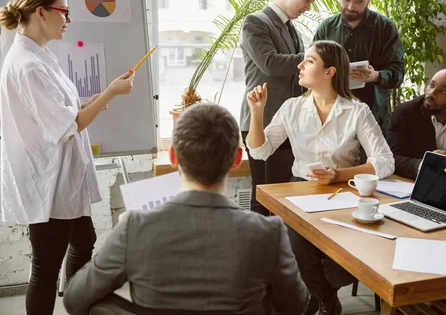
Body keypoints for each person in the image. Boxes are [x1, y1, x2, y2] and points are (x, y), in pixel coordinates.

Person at [63, 103, 309, 315]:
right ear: (236, 159)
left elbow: (75, 299)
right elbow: (296, 306)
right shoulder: (268, 233)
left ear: (173, 157)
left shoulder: (135, 227)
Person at [0, 0, 134, 315]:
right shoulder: (28, 64)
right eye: (64, 12)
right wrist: (110, 94)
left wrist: (93, 101)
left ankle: (77, 305)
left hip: (62, 178)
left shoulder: (39, 54)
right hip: (49, 182)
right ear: (41, 12)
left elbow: (62, 110)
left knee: (84, 241)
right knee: (45, 270)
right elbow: (67, 124)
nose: (68, 20)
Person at [246, 40, 394, 314]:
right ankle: (326, 301)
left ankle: (316, 295)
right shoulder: (292, 107)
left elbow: (385, 161)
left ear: (330, 72)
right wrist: (257, 113)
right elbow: (260, 151)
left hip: (344, 194)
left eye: (309, 61)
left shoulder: (357, 111)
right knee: (296, 247)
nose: (300, 65)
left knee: (340, 266)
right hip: (301, 192)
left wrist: (339, 174)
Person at [240, 0, 323, 215]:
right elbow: (271, 63)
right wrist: (315, 58)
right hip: (261, 121)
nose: (307, 7)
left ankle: (277, 250)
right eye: (307, 0)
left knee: (284, 195)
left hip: (290, 124)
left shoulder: (293, 30)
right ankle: (258, 252)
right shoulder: (255, 22)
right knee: (265, 194)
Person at [313, 0, 404, 135]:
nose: (350, 7)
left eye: (358, 2)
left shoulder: (385, 29)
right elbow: (313, 68)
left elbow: (398, 74)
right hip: (333, 116)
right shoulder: (326, 27)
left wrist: (375, 76)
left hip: (372, 117)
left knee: (371, 161)